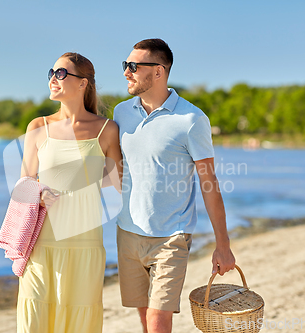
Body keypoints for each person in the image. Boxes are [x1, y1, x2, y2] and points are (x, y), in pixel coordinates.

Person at [113, 38, 236, 333]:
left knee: (158, 320)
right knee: (144, 318)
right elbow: (110, 170)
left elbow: (209, 182)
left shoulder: (192, 119)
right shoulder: (121, 113)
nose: (126, 72)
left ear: (158, 71)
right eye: (125, 65)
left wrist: (223, 245)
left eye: (133, 66)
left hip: (171, 237)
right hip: (128, 232)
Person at [17, 52, 122, 333]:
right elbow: (23, 183)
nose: (53, 78)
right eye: (52, 72)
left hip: (84, 244)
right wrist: (37, 193)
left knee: (79, 323)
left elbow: (118, 186)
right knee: (34, 322)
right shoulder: (38, 127)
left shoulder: (106, 130)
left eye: (61, 73)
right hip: (41, 244)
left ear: (83, 83)